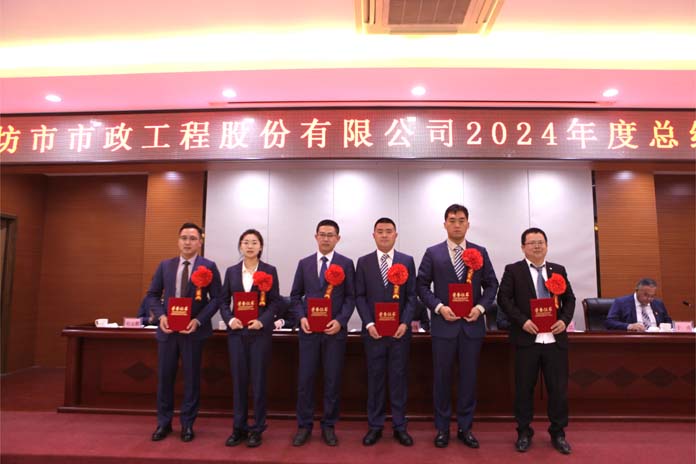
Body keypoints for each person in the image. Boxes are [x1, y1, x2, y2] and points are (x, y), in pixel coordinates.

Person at [416, 204, 498, 449]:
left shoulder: (480, 252)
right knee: (442, 379)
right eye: (452, 220)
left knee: (468, 379)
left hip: (471, 327)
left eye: (461, 220)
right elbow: (421, 286)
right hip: (444, 326)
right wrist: (439, 307)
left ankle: (465, 427)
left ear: (468, 224)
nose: (457, 224)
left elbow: (491, 285)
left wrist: (480, 308)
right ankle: (442, 429)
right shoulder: (433, 253)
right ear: (444, 224)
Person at [497, 227, 575, 455]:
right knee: (524, 389)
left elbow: (570, 299)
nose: (537, 246)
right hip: (526, 340)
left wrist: (564, 320)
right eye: (532, 243)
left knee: (558, 390)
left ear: (547, 245)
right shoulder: (513, 270)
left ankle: (558, 433)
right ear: (523, 247)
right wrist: (522, 321)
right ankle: (523, 431)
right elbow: (503, 299)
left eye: (541, 242)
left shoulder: (558, 270)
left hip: (554, 340)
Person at [146, 222, 222, 442]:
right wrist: (161, 316)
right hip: (168, 331)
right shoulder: (165, 266)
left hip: (193, 332)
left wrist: (198, 320)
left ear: (200, 242)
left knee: (191, 379)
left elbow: (217, 299)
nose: (187, 242)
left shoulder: (209, 266)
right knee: (165, 378)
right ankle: (164, 423)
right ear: (178, 241)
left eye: (192, 238)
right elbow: (152, 295)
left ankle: (188, 424)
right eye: (184, 238)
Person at [290, 219, 356, 447]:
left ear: (338, 238)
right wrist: (302, 318)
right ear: (316, 236)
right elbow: (295, 296)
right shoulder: (304, 264)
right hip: (309, 332)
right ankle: (304, 426)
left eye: (330, 235)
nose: (326, 238)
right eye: (322, 234)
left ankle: (329, 425)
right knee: (305, 380)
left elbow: (350, 298)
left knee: (332, 380)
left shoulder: (346, 264)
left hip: (334, 333)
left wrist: (340, 321)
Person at [355, 218, 417, 447]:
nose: (384, 235)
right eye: (380, 231)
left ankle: (400, 426)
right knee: (375, 379)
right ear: (373, 235)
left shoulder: (406, 261)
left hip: (399, 334)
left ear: (395, 235)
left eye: (388, 231)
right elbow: (360, 296)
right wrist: (369, 324)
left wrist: (405, 323)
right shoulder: (363, 262)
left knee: (399, 379)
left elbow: (411, 297)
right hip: (374, 334)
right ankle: (375, 426)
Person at [220, 229, 282, 448]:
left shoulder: (269, 271)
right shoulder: (231, 272)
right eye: (246, 242)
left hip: (259, 334)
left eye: (254, 242)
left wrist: (262, 321)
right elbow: (222, 301)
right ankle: (238, 428)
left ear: (261, 247)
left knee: (258, 382)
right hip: (237, 334)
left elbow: (275, 302)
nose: (250, 246)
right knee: (239, 382)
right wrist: (230, 319)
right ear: (240, 246)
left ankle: (257, 428)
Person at [605, 278, 673, 331]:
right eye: (646, 295)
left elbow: (668, 322)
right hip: (633, 340)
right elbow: (609, 322)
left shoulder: (658, 304)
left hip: (657, 340)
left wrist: (664, 327)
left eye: (652, 296)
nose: (649, 299)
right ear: (637, 290)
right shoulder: (621, 302)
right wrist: (629, 326)